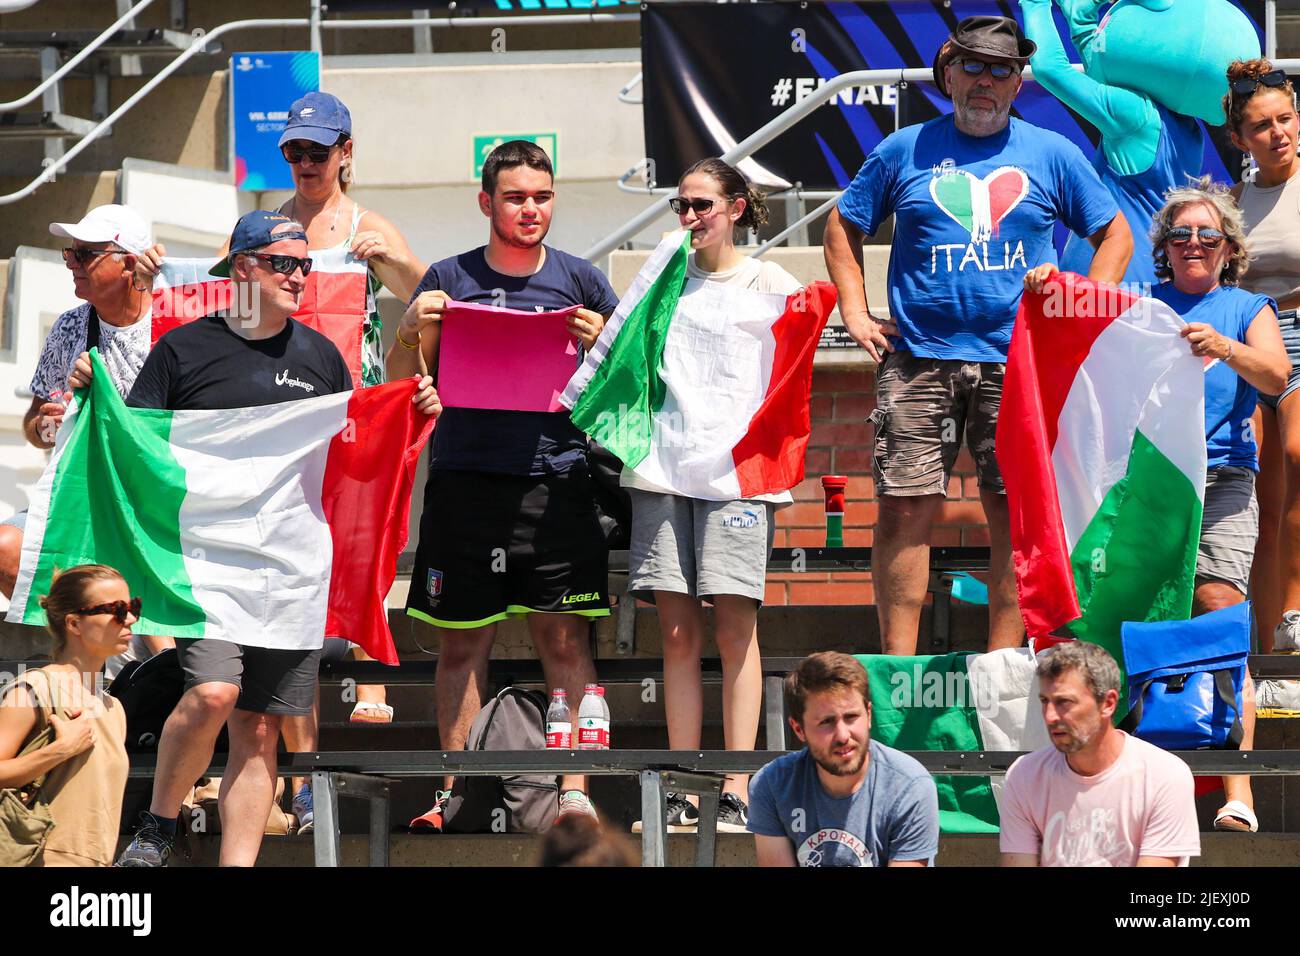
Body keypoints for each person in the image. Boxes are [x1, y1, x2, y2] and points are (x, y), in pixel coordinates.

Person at [113, 210, 442, 866]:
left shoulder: (320, 355)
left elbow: (351, 450)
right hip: (206, 561)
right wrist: (95, 400)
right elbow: (135, 442)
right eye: (285, 263)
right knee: (211, 693)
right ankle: (157, 824)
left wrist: (407, 411)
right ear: (243, 268)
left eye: (305, 265)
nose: (300, 276)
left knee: (260, 729)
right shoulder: (183, 349)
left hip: (291, 566)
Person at [822, 15, 1132, 656]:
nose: (986, 81)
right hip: (916, 358)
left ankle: (1003, 667)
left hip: (1016, 363)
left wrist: (1080, 312)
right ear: (948, 75)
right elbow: (841, 225)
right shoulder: (902, 149)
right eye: (974, 67)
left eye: (1002, 70)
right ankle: (897, 671)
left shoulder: (1052, 152)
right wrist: (853, 308)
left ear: (1019, 83)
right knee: (904, 511)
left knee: (1016, 521)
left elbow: (1115, 235)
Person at [387, 140, 617, 828]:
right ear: (486, 201)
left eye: (542, 197)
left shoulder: (582, 281)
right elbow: (409, 389)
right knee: (462, 643)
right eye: (515, 197)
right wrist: (406, 336)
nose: (530, 209)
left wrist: (604, 339)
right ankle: (454, 789)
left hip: (557, 484)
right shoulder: (447, 278)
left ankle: (574, 791)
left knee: (566, 643)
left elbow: (626, 390)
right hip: (465, 482)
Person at [625, 158, 799, 836]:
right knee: (674, 633)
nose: (690, 217)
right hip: (662, 469)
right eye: (681, 205)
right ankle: (679, 785)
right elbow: (624, 357)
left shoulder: (771, 282)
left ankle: (735, 781)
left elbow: (804, 349)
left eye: (703, 204)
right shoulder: (658, 281)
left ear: (736, 206)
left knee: (734, 630)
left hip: (737, 476)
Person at [1147, 177, 1290, 830]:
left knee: (1219, 609)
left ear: (1229, 247)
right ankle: (1149, 791)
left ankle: (1241, 791)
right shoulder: (1140, 304)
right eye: (1182, 235)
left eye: (1208, 235)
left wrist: (1224, 346)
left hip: (1225, 478)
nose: (1195, 244)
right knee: (1147, 618)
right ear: (1165, 249)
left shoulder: (1244, 308)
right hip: (1148, 483)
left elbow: (1277, 375)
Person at [0, 204, 172, 673]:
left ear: (131, 264)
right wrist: (49, 424)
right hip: (82, 494)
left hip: (155, 501)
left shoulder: (175, 325)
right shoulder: (70, 326)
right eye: (71, 253)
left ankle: (142, 667)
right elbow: (37, 425)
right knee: (5, 546)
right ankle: (103, 654)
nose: (72, 263)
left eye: (86, 254)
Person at [1000, 641, 1200, 866]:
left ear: (1108, 703)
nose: (1050, 716)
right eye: (1045, 701)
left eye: (1064, 702)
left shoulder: (1165, 775)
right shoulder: (1023, 775)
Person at [1226, 61, 1300, 655]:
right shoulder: (1232, 202)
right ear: (1240, 139)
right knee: (1262, 503)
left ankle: (1296, 613)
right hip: (1251, 346)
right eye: (1261, 126)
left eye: (1285, 118)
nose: (1278, 133)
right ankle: (1269, 651)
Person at [747, 652, 940, 867]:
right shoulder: (771, 784)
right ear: (798, 729)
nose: (842, 735)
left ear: (868, 714)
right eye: (826, 722)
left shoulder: (910, 786)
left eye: (851, 717)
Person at [0, 565, 133, 866]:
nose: (131, 619)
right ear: (74, 623)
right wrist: (60, 750)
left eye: (132, 607)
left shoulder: (114, 708)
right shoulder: (35, 689)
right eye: (117, 610)